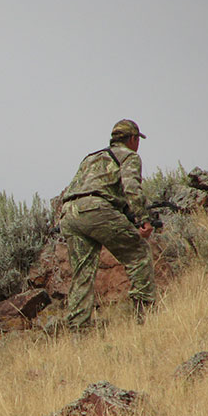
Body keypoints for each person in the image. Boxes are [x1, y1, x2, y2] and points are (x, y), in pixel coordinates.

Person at [59, 119, 156, 329]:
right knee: (139, 252)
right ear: (132, 139)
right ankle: (146, 318)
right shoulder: (129, 156)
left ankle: (78, 332)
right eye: (137, 140)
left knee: (82, 274)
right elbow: (131, 188)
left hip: (69, 213)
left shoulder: (91, 158)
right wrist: (143, 219)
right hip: (96, 211)